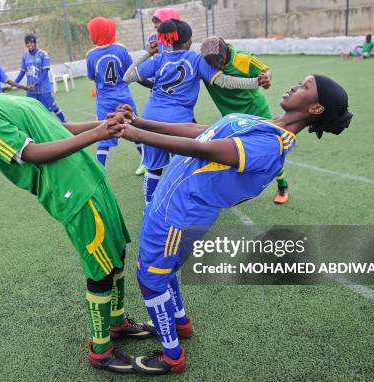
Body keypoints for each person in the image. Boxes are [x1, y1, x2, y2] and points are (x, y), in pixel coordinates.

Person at [107, 74, 352, 375]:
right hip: (169, 202)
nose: (294, 86)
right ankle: (180, 324)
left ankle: (172, 357)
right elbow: (201, 133)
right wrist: (141, 122)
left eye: (304, 87)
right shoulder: (267, 124)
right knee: (161, 270)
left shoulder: (272, 146)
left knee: (151, 278)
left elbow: (204, 150)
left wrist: (136, 135)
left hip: (181, 215)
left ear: (315, 109)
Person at [0, 79, 154, 374]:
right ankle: (101, 349)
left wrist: (104, 123)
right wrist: (99, 133)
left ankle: (117, 323)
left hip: (88, 174)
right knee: (101, 268)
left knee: (116, 253)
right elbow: (31, 153)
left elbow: (56, 130)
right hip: (70, 189)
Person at [123, 19, 268, 205]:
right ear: (189, 41)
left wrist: (147, 54)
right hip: (179, 123)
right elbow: (225, 81)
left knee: (153, 169)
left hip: (150, 119)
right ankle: (184, 204)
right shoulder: (196, 59)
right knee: (185, 166)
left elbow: (128, 77)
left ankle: (149, 209)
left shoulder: (158, 59)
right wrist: (255, 82)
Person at [200, 36, 290, 204]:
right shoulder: (204, 64)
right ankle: (235, 189)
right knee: (234, 153)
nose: (216, 66)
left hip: (255, 109)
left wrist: (265, 79)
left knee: (271, 150)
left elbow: (266, 71)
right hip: (231, 115)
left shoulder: (243, 59)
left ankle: (282, 185)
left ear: (225, 53)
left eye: (219, 61)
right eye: (212, 63)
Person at [85, 17, 144, 174]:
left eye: (91, 33)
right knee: (136, 129)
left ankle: (100, 171)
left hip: (104, 101)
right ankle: (146, 162)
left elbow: (92, 76)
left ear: (97, 33)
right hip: (124, 98)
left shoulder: (91, 55)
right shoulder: (121, 50)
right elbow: (130, 71)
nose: (90, 36)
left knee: (103, 135)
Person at [14, 34, 66, 123]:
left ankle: (65, 122)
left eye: (32, 42)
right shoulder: (25, 56)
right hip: (31, 91)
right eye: (28, 43)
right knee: (32, 110)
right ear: (25, 44)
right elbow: (22, 72)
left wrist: (36, 84)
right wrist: (13, 83)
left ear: (35, 43)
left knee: (53, 107)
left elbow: (45, 72)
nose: (30, 45)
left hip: (43, 90)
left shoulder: (43, 54)